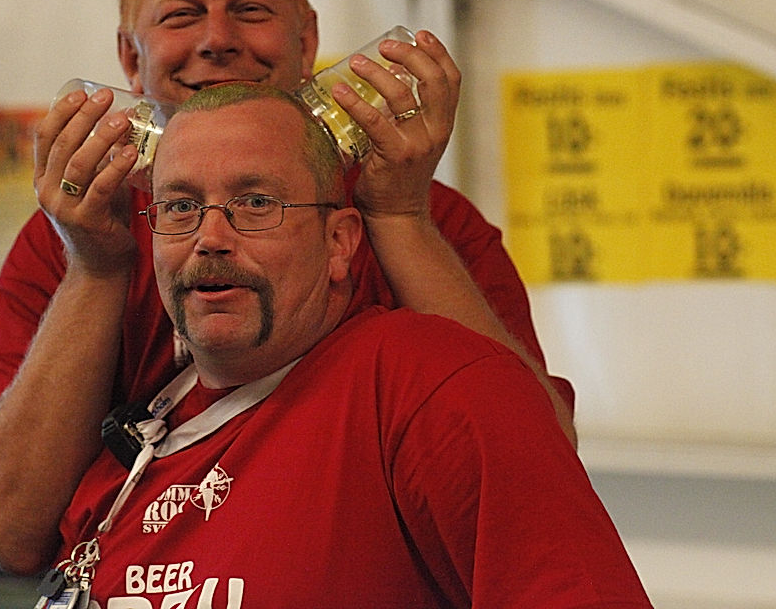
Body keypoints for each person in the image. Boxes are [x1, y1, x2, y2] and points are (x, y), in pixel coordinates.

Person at [0, 0, 576, 576]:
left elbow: (538, 473)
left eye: (251, 10)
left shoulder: (433, 223)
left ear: (306, 42)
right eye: (183, 15)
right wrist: (96, 269)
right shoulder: (70, 238)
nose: (218, 39)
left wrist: (399, 219)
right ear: (130, 58)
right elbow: (11, 530)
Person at [48, 82, 651, 608]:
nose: (210, 237)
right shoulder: (128, 452)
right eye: (181, 207)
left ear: (340, 242)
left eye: (256, 204)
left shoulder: (436, 388)